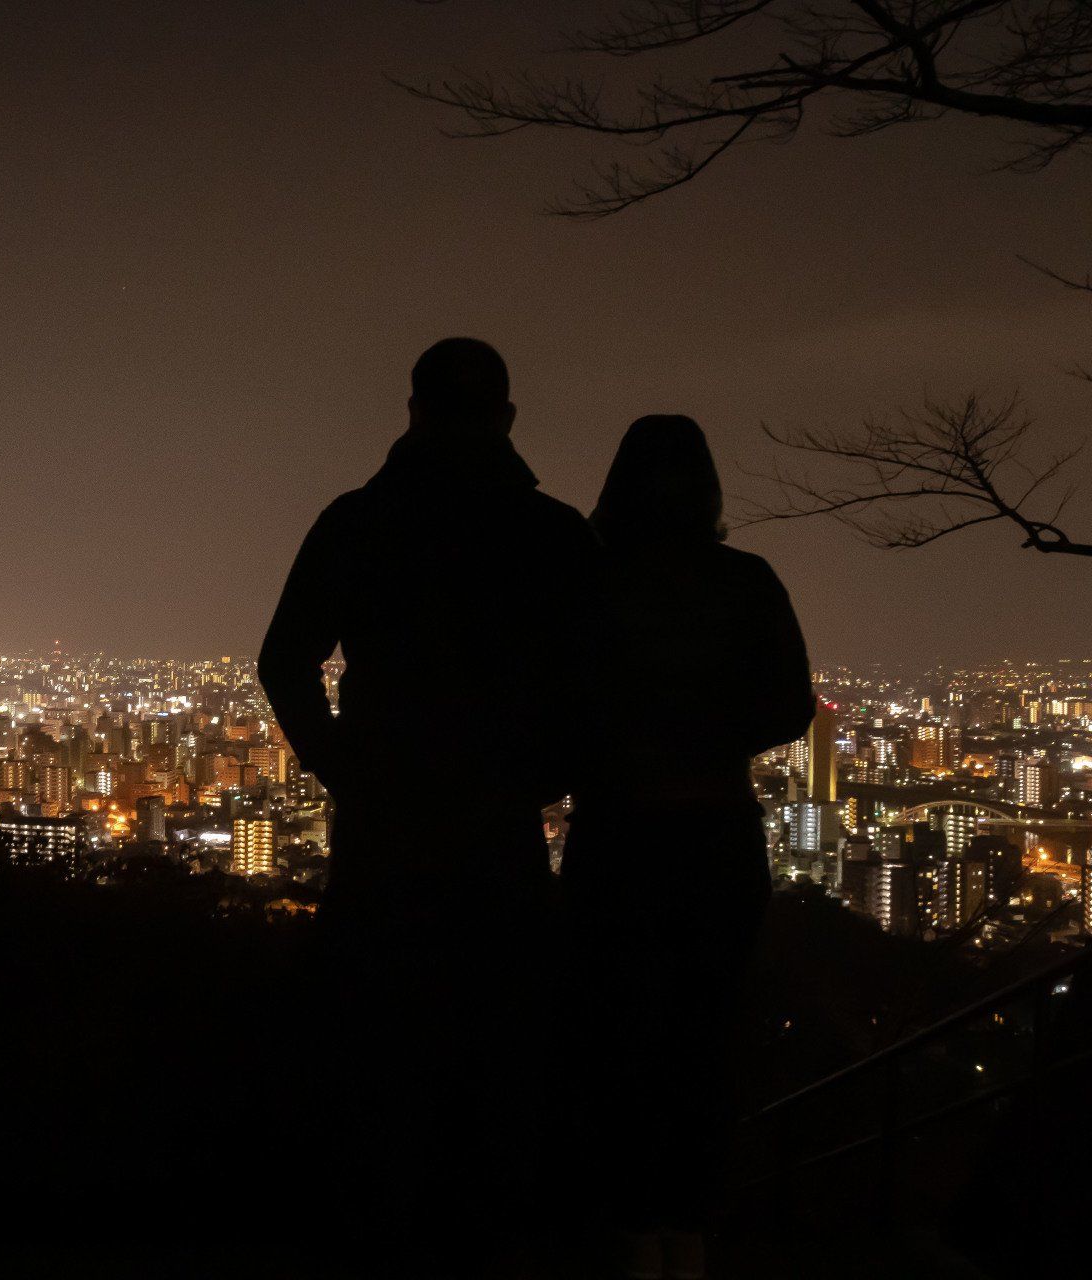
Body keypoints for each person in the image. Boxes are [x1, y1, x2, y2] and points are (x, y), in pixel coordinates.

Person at [257, 338, 602, 1263]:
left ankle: (375, 1230)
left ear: (411, 413)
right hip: (496, 821)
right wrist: (543, 774)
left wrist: (344, 766)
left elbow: (283, 660)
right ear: (508, 419)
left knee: (377, 1049)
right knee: (500, 1048)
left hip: (384, 823)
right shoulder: (553, 533)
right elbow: (599, 680)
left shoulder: (359, 521)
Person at [561, 415, 815, 1280]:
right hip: (716, 832)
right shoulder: (744, 580)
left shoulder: (589, 580)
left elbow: (551, 701)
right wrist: (709, 730)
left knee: (616, 1030)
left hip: (615, 832)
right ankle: (690, 1227)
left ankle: (630, 1228)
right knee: (703, 1036)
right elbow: (790, 706)